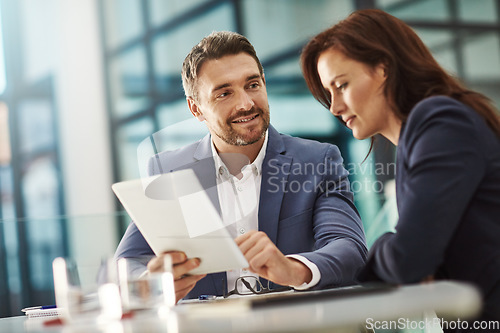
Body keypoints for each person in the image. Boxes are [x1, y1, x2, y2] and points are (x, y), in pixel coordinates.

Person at [114, 31, 367, 303]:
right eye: (224, 93)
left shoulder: (318, 160)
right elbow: (128, 263)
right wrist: (151, 283)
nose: (246, 104)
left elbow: (349, 248)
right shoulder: (168, 169)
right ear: (195, 108)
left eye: (252, 85)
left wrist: (293, 270)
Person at [301, 8, 500, 327]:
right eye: (329, 94)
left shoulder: (441, 122)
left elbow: (409, 258)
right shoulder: (419, 138)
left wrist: (384, 245)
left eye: (341, 85)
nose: (335, 107)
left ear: (383, 68)